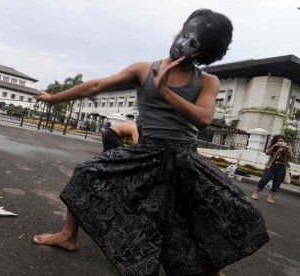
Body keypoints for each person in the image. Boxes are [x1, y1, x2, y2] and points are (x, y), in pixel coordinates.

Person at [33, 9, 269, 276]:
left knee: (206, 213)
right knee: (87, 174)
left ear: (205, 53)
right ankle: (68, 236)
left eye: (194, 43)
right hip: (147, 152)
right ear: (180, 29)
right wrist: (54, 99)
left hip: (183, 159)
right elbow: (95, 85)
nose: (184, 43)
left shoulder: (207, 81)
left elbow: (204, 118)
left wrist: (165, 90)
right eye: (185, 34)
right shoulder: (143, 69)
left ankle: (208, 269)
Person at [252, 135, 292, 204]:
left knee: (277, 182)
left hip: (282, 167)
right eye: (279, 141)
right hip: (271, 165)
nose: (281, 142)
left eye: (282, 141)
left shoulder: (287, 147)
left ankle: (270, 197)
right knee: (265, 179)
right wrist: (274, 146)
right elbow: (267, 153)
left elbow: (290, 158)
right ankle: (255, 193)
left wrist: (289, 150)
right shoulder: (274, 147)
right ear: (276, 141)